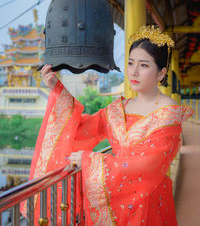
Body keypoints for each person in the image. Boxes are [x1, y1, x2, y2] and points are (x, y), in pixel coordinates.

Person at [22, 25, 193, 225]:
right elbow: (82, 130)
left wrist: (90, 161)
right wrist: (58, 90)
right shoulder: (118, 108)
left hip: (149, 202)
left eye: (144, 65)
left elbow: (148, 166)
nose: (134, 72)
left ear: (161, 73)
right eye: (130, 63)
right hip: (115, 200)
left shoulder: (168, 114)